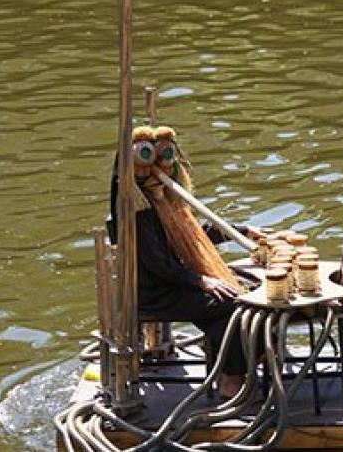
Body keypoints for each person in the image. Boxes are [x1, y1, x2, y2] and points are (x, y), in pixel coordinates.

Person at [107, 126, 265, 399]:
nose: (157, 171)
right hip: (154, 291)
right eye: (145, 163)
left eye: (164, 160)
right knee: (231, 304)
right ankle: (229, 379)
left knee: (248, 290)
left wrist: (242, 231)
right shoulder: (137, 212)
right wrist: (201, 280)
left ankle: (236, 360)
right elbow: (159, 265)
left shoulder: (167, 203)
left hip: (173, 281)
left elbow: (194, 234)